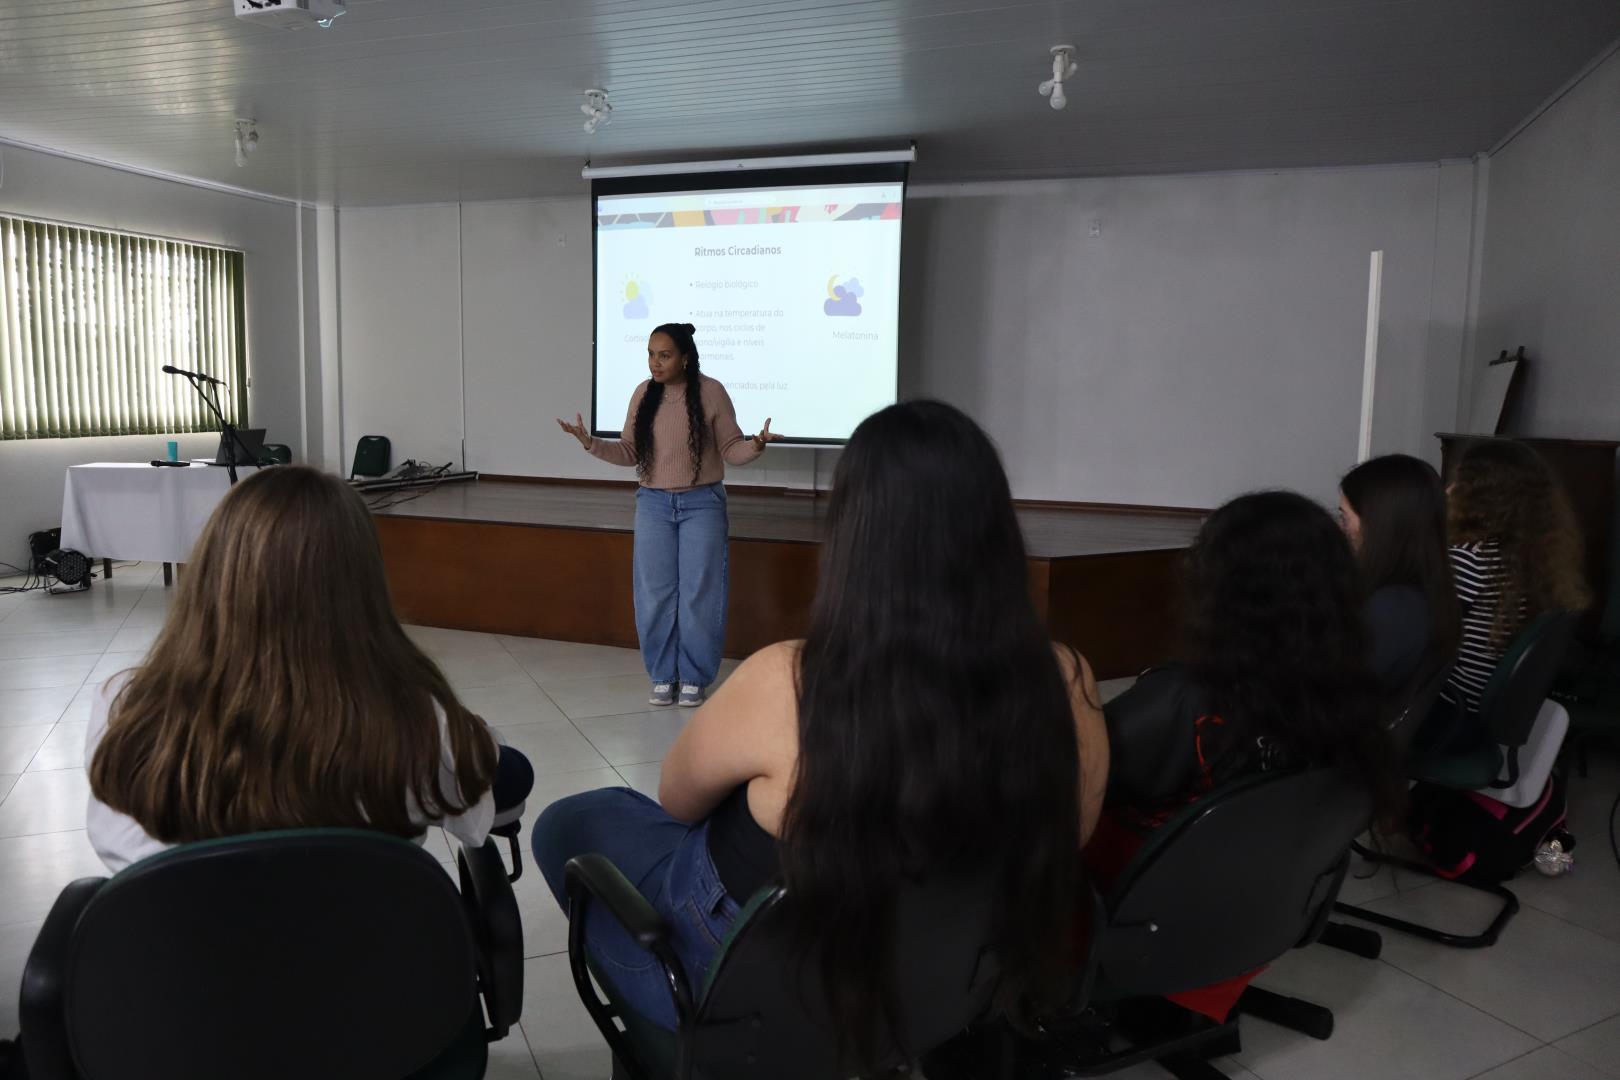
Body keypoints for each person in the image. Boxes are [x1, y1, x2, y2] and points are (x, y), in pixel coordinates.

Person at [533, 401, 1109, 1066]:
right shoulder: (1065, 679)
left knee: (575, 821)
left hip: (759, 994)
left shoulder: (789, 678)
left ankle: (670, 1040)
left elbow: (676, 802)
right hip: (948, 983)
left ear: (854, 530)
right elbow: (1071, 836)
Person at [84, 466, 534, 873]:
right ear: (360, 586)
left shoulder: (126, 708)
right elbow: (505, 801)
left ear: (213, 574)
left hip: (178, 961)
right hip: (371, 961)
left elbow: (118, 855)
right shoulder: (415, 719)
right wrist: (469, 735)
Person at [1094, 490, 1399, 1023]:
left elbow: (1079, 785)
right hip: (1260, 914)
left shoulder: (1183, 699)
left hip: (1159, 909)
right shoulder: (1355, 693)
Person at [557, 323, 782, 709]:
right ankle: (663, 675)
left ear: (685, 358)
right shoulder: (644, 394)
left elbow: (731, 449)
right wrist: (590, 444)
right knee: (655, 594)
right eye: (650, 354)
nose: (655, 363)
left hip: (702, 504)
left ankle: (693, 676)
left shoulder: (711, 392)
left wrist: (757, 444)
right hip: (654, 505)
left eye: (664, 355)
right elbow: (630, 452)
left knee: (699, 593)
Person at [1430, 439, 1589, 739]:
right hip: (1486, 706)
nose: (1447, 491)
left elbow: (1427, 638)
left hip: (1453, 710)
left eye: (1457, 483)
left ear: (1481, 495)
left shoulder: (1469, 555)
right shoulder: (1531, 554)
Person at [1338, 454, 1461, 691]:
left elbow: (1325, 694)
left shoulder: (1391, 608)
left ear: (1378, 525)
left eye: (1344, 517)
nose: (1340, 529)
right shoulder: (1428, 590)